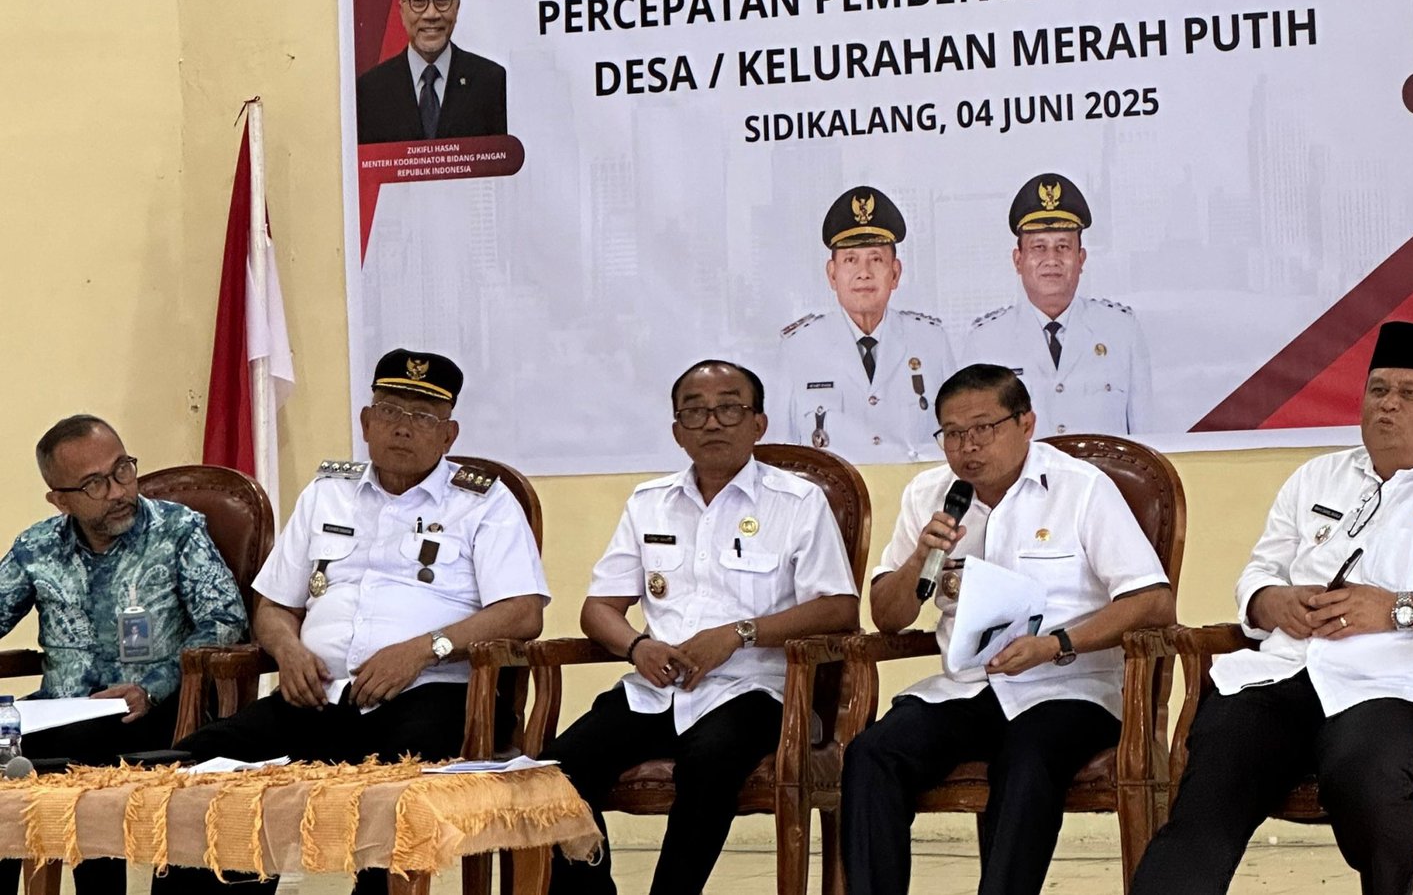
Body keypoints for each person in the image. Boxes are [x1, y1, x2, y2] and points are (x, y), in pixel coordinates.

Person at [1129, 321, 1413, 895]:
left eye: (1409, 393)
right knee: (1212, 781)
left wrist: (1399, 609)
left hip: (1394, 687)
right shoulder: (1317, 476)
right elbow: (1259, 572)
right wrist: (1271, 602)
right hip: (1284, 673)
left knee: (1367, 775)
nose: (1388, 405)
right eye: (1378, 389)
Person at [157, 349, 549, 895]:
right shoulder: (327, 493)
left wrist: (423, 650)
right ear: (366, 422)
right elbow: (273, 605)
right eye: (389, 411)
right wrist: (288, 651)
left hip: (435, 696)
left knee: (390, 785)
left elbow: (523, 611)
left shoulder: (482, 502)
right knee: (203, 765)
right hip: (318, 696)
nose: (403, 428)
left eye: (423, 417)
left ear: (449, 435)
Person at [841, 363, 1175, 895]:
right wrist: (921, 558)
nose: (968, 446)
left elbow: (1151, 601)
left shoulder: (1081, 488)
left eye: (983, 428)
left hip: (1069, 687)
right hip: (967, 687)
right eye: (953, 433)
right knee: (872, 754)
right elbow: (888, 616)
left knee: (1027, 757)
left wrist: (1056, 645)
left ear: (1026, 424)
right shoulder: (930, 494)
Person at [544, 359, 859, 895]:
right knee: (556, 772)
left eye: (729, 409)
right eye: (695, 412)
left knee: (709, 760)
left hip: (756, 692)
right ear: (677, 430)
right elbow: (598, 608)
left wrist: (738, 634)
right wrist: (637, 646)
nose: (712, 422)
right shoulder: (649, 503)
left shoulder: (797, 502)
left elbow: (839, 608)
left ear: (758, 424)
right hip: (656, 689)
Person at [0, 415, 246, 895]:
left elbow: (224, 620)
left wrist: (151, 687)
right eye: (95, 484)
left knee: (81, 754)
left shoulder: (177, 531)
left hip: (156, 712)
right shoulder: (37, 548)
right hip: (61, 714)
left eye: (122, 470)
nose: (117, 491)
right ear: (60, 500)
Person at [962, 173, 1153, 436]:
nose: (1051, 259)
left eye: (1063, 247)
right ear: (1018, 260)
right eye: (1039, 247)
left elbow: (1144, 437)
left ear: (1081, 258)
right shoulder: (986, 340)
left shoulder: (1121, 330)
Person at [772, 185, 954, 464]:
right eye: (851, 260)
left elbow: (955, 437)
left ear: (895, 273)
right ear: (832, 274)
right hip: (831, 491)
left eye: (876, 259)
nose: (864, 273)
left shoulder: (931, 341)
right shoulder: (798, 348)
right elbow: (781, 453)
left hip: (916, 490)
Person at [356, 0, 508, 143]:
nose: (431, 14)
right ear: (402, 11)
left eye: (442, 0)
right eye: (418, 1)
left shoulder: (489, 81)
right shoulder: (371, 89)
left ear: (457, 7)